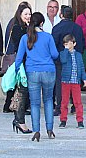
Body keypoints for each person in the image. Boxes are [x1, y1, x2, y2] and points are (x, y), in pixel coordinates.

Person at [15, 12, 59, 142]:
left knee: (34, 103)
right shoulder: (48, 37)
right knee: (48, 100)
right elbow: (55, 54)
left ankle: (36, 130)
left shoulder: (25, 38)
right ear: (41, 23)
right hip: (48, 70)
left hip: (32, 71)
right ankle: (50, 129)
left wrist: (18, 72)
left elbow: (19, 58)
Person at [51, 5, 85, 115]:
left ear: (61, 15)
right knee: (75, 84)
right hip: (74, 59)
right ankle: (75, 106)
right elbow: (81, 45)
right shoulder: (77, 28)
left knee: (61, 84)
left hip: (61, 61)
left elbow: (53, 46)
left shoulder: (57, 28)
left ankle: (60, 107)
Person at [7, 3, 33, 134]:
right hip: (21, 64)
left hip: (27, 64)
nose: (28, 16)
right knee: (21, 93)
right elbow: (22, 45)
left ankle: (19, 120)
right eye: (25, 14)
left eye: (29, 14)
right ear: (20, 15)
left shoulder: (27, 28)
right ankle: (19, 121)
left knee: (23, 93)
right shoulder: (18, 28)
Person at [58, 34, 86, 129]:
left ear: (74, 44)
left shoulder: (78, 55)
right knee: (64, 102)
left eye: (69, 43)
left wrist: (84, 78)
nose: (67, 45)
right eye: (65, 44)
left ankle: (80, 120)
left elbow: (81, 67)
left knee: (78, 102)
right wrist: (66, 50)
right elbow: (63, 60)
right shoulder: (63, 53)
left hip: (76, 81)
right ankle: (63, 120)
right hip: (66, 81)